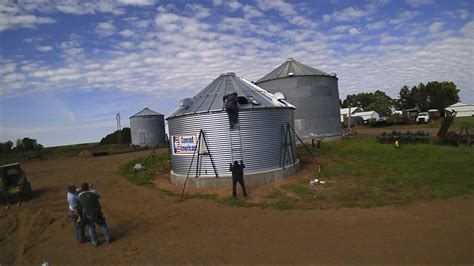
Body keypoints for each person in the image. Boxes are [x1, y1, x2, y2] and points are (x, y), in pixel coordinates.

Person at [78, 182, 112, 247]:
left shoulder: (80, 195)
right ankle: (108, 238)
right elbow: (99, 196)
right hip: (97, 212)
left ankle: (94, 242)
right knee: (102, 224)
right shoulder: (93, 192)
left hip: (88, 214)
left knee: (91, 227)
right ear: (88, 187)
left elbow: (78, 191)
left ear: (82, 188)